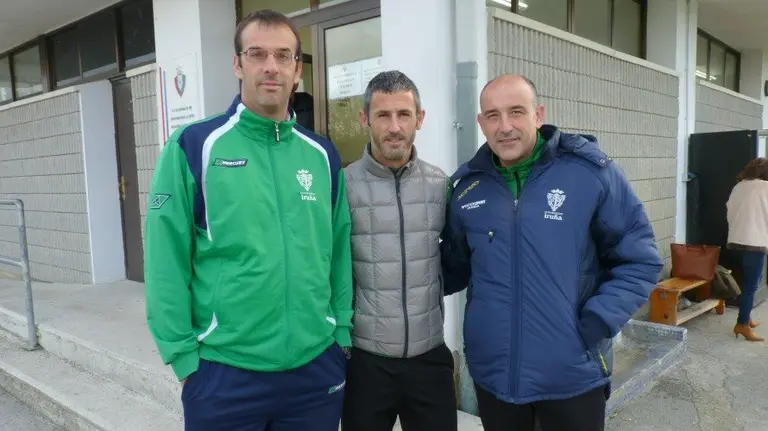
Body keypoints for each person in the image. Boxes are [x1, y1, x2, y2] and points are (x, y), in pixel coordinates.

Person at [143, 9, 353, 431]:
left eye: (283, 56)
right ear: (238, 65)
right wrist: (183, 356)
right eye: (257, 54)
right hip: (224, 374)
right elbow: (165, 259)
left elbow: (338, 248)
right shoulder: (193, 146)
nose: (271, 66)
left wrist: (341, 333)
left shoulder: (321, 155)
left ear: (297, 70)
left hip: (314, 372)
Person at [440, 74, 663, 431]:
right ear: (481, 123)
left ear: (538, 114)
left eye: (516, 112)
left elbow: (639, 259)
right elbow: (451, 268)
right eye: (493, 115)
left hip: (572, 375)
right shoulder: (467, 188)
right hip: (494, 375)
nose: (505, 126)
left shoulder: (589, 173)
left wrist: (596, 323)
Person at [340, 70, 457, 431]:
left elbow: (456, 258)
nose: (394, 127)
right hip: (366, 362)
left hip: (430, 357)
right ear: (365, 120)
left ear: (419, 119)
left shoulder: (440, 185)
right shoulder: (342, 187)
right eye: (383, 115)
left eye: (404, 114)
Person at [726, 157, 768, 342]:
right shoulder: (765, 188)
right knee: (752, 285)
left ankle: (746, 316)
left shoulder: (739, 187)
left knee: (748, 282)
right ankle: (742, 324)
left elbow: (729, 210)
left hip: (736, 241)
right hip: (755, 242)